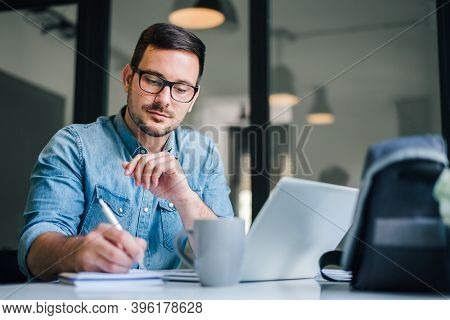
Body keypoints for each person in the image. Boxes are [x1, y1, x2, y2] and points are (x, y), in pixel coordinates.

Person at [18, 23, 234, 280]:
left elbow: (228, 257)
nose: (164, 100)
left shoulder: (204, 153)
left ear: (193, 100)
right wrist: (77, 252)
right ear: (128, 79)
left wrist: (185, 197)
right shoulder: (72, 146)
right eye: (153, 81)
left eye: (181, 89)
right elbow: (34, 251)